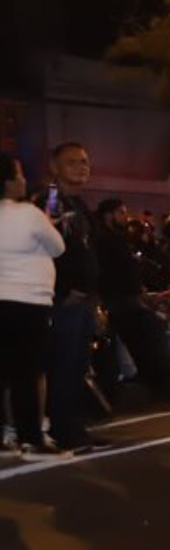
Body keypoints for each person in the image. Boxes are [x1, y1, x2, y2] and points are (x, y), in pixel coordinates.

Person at [34, 144, 105, 451]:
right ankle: (64, 431)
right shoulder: (50, 200)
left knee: (78, 366)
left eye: (85, 161)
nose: (81, 167)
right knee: (62, 366)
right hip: (63, 302)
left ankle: (75, 428)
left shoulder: (78, 202)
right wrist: (63, 290)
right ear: (54, 167)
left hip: (85, 300)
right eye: (72, 162)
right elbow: (43, 249)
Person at [0, 153, 67, 459]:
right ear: (9, 181)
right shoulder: (29, 213)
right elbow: (58, 246)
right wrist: (49, 223)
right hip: (29, 301)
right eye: (20, 174)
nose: (24, 180)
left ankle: (4, 438)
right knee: (26, 373)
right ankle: (32, 439)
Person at [93, 199, 170, 398]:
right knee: (150, 334)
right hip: (118, 298)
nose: (125, 217)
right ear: (108, 214)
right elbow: (113, 271)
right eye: (120, 212)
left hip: (127, 297)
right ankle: (159, 383)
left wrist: (141, 291)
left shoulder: (117, 238)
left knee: (148, 337)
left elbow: (130, 269)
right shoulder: (103, 239)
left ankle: (159, 382)